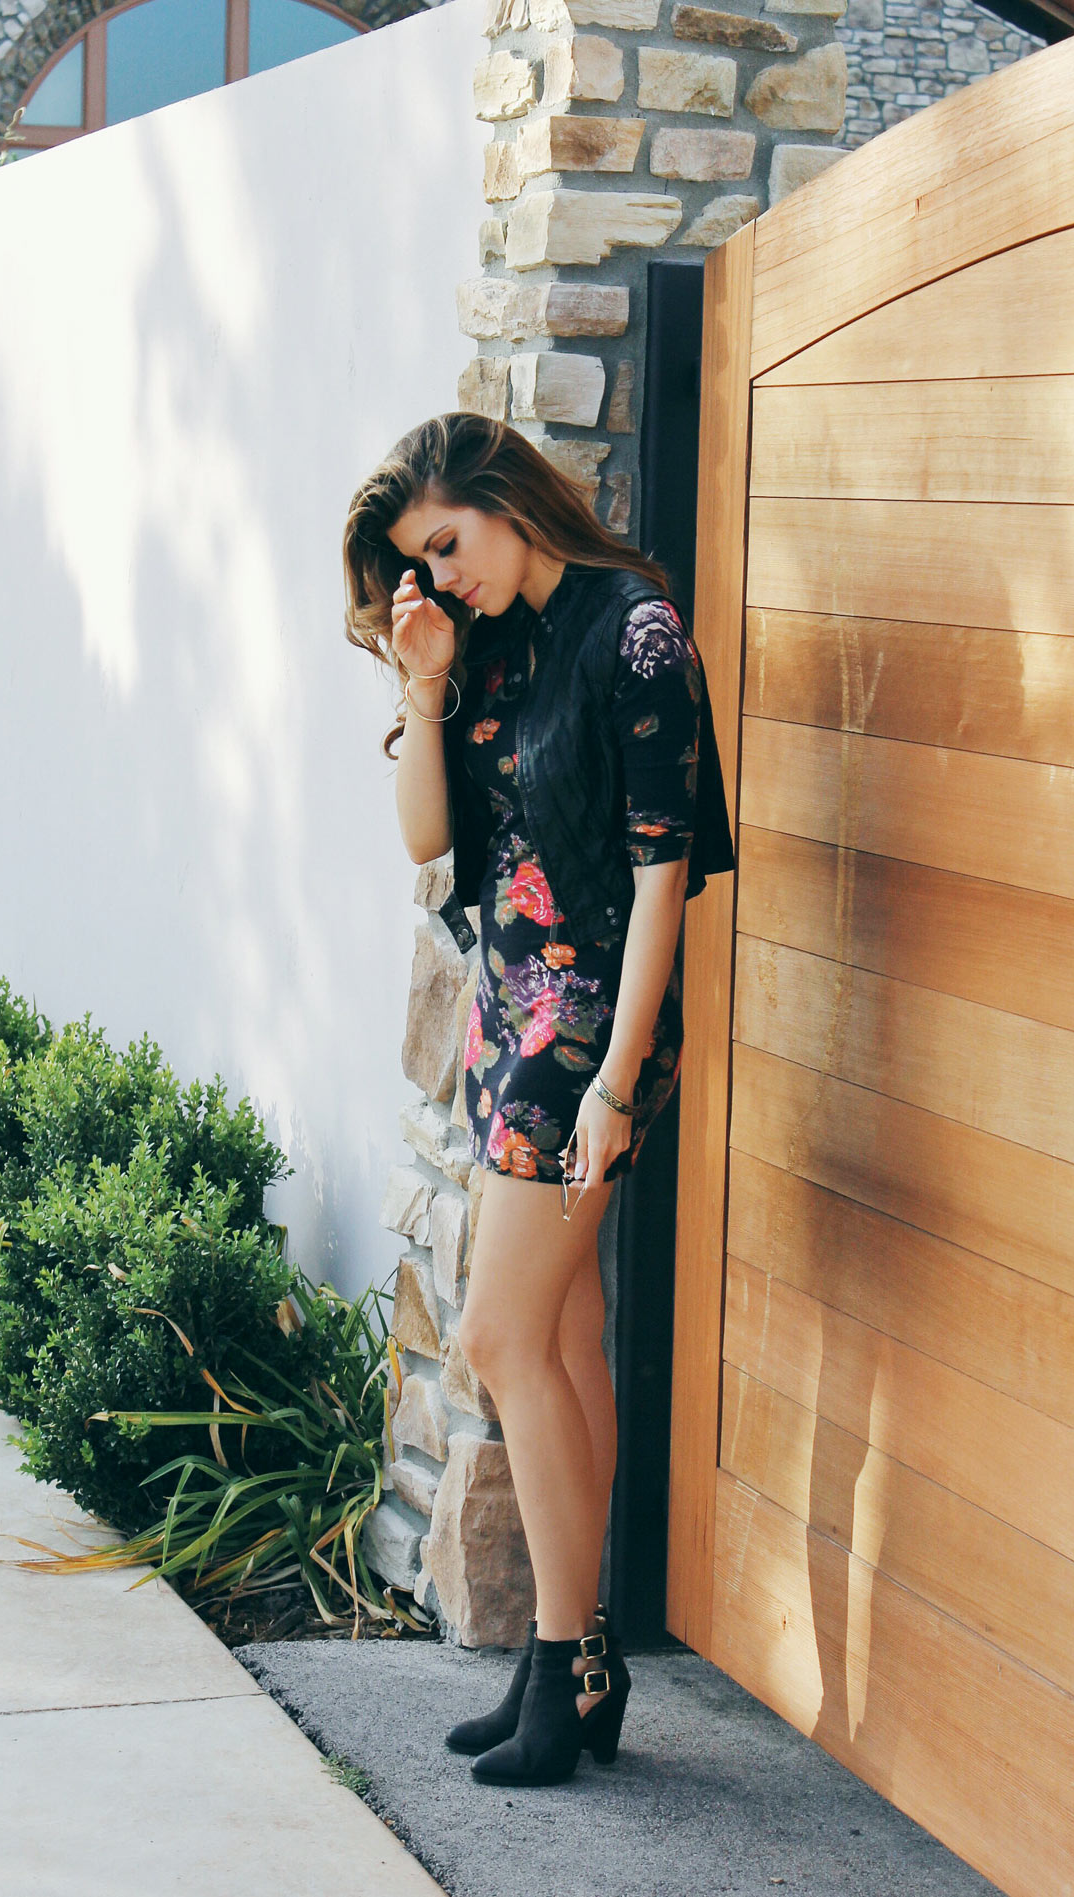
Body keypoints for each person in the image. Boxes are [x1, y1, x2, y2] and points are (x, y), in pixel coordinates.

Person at [342, 413, 735, 1788]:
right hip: (511, 1025)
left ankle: (564, 1659)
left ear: (506, 495)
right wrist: (428, 678)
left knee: (502, 1335)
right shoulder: (490, 639)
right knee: (562, 1341)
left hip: (590, 1038)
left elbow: (661, 878)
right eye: (417, 562)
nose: (442, 574)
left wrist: (620, 1082)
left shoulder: (636, 631)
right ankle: (571, 1663)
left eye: (447, 543)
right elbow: (429, 838)